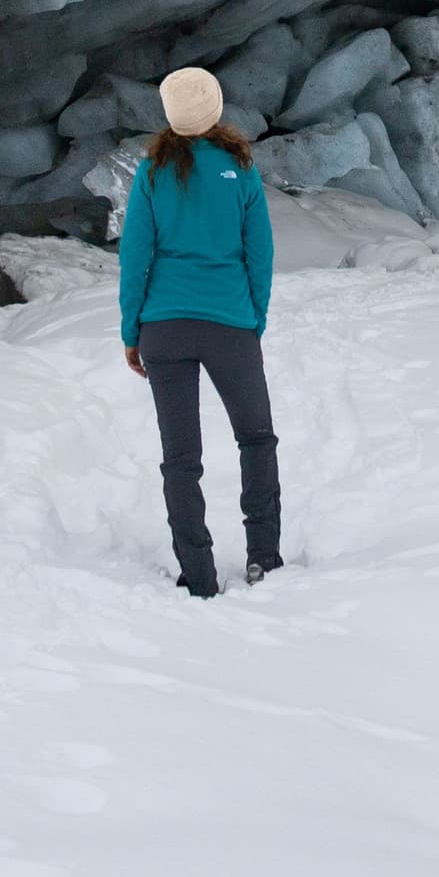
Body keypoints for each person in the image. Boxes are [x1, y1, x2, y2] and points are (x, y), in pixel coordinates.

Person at [118, 65, 281, 598]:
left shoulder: (151, 173)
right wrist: (253, 318)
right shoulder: (241, 168)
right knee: (256, 438)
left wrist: (132, 330)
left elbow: (135, 256)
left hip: (164, 328)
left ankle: (200, 576)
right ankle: (263, 558)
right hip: (230, 324)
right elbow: (260, 254)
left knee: (181, 457)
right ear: (215, 108)